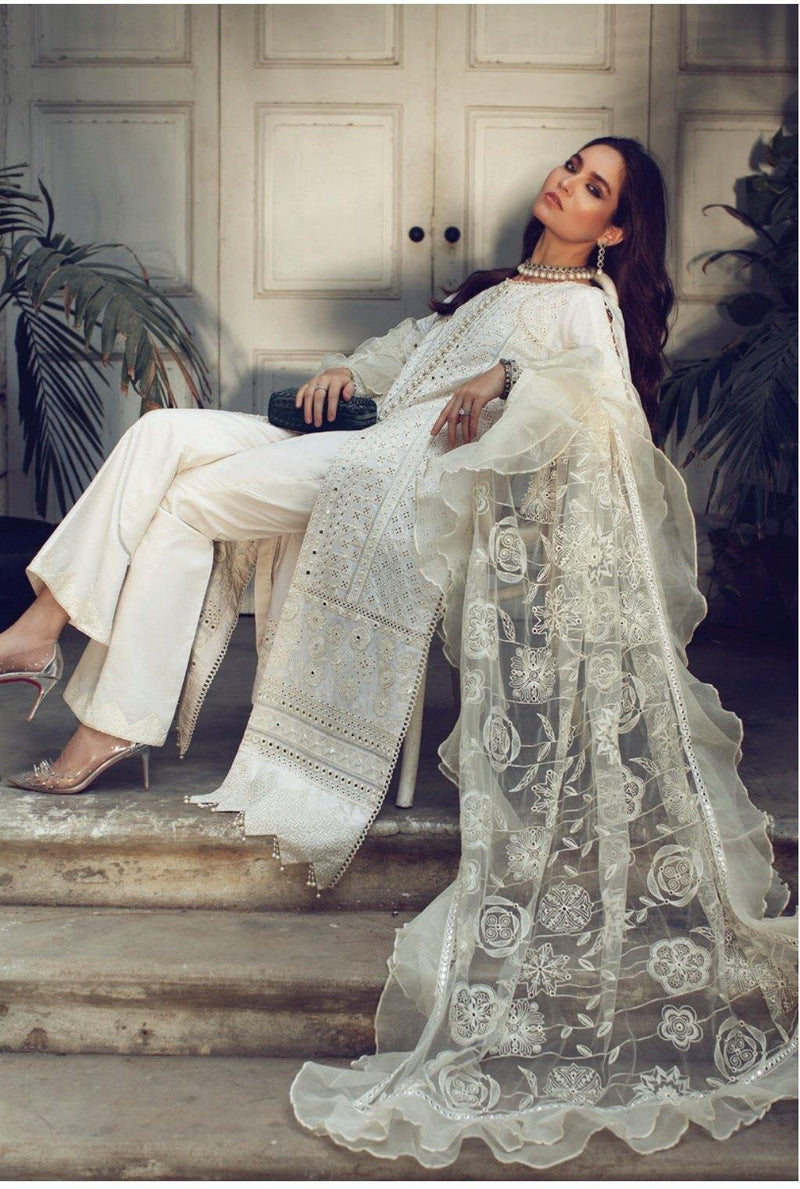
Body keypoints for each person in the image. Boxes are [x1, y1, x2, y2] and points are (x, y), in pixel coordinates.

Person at [1, 138, 796, 1169]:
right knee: (162, 442)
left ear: (612, 229)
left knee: (188, 500)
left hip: (391, 473)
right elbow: (402, 358)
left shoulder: (586, 307)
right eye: (570, 167)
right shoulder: (499, 286)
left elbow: (597, 405)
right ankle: (45, 633)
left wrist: (508, 372)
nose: (566, 183)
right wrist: (349, 369)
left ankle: (82, 690)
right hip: (355, 440)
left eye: (593, 188)